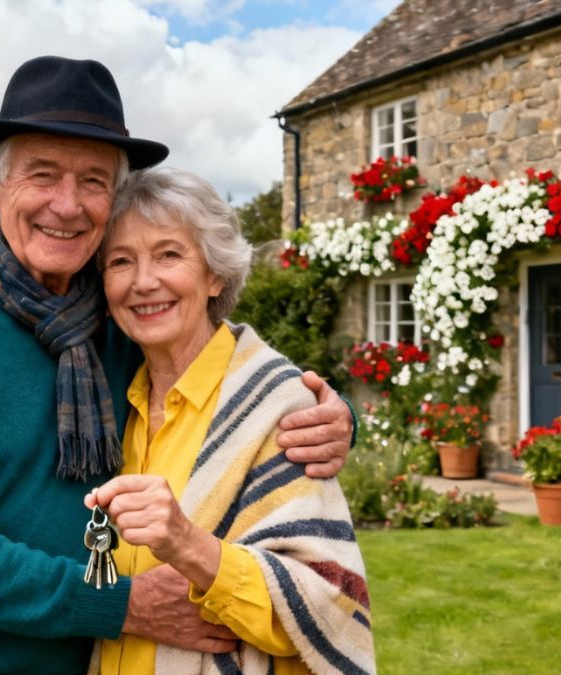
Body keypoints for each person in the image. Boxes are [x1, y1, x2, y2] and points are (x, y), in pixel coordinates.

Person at [0, 55, 355, 674]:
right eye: (43, 174)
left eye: (93, 181)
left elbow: (231, 377)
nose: (67, 205)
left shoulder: (124, 315)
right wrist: (117, 605)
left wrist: (332, 417)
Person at [86, 166, 375, 673]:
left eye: (169, 254)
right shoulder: (109, 395)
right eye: (120, 261)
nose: (143, 281)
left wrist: (187, 543)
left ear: (215, 271)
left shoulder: (278, 407)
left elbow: (331, 605)